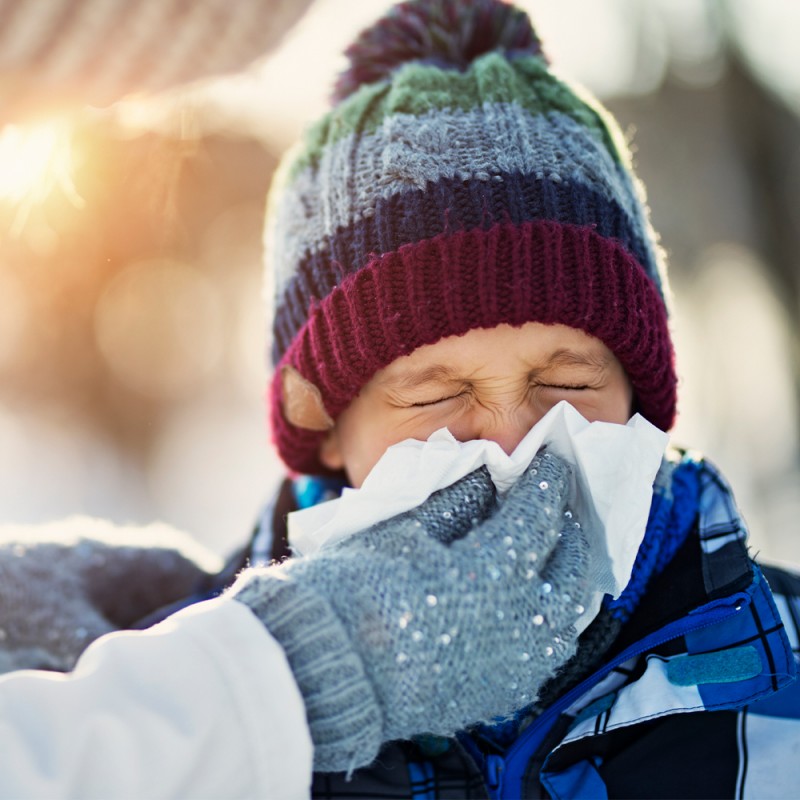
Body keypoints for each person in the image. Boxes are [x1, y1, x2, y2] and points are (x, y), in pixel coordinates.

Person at [1, 0, 799, 797]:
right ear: (331, 433)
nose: (515, 441)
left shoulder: (779, 669)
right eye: (437, 396)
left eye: (565, 385)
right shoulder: (206, 713)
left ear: (640, 398)